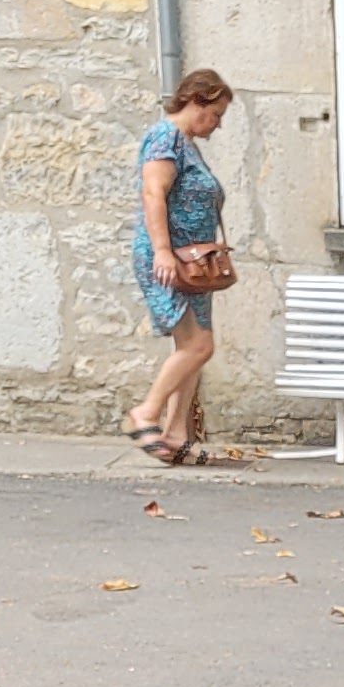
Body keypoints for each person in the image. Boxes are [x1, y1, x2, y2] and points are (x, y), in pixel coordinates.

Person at [127, 68, 235, 463]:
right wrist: (162, 251)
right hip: (169, 261)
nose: (218, 125)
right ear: (196, 102)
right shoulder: (165, 137)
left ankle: (176, 435)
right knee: (198, 345)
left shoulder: (186, 143)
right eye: (216, 114)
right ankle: (145, 413)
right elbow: (153, 193)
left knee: (192, 348)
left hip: (194, 265)